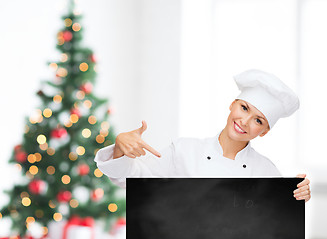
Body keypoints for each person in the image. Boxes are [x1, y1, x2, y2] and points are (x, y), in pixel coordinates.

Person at [94, 69, 311, 202]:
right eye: (244, 108)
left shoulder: (266, 171)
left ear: (264, 131)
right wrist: (119, 149)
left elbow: (274, 223)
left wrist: (296, 195)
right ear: (232, 105)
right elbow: (134, 180)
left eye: (258, 120)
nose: (244, 121)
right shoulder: (184, 151)